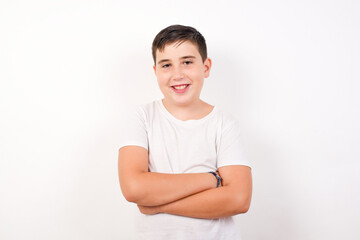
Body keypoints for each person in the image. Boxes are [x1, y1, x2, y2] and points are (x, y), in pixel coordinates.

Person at [118, 24, 252, 240]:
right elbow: (134, 188)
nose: (177, 74)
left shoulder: (224, 124)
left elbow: (238, 199)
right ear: (156, 72)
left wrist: (156, 204)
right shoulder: (142, 117)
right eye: (166, 65)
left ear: (206, 67)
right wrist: (212, 180)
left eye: (187, 62)